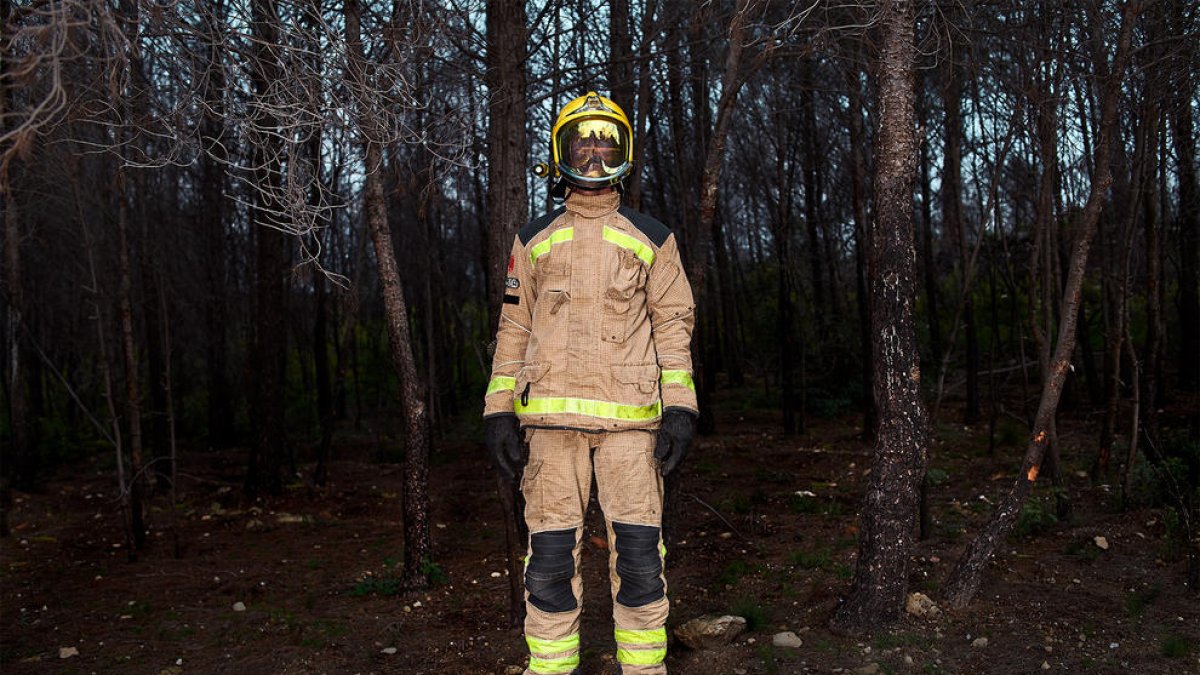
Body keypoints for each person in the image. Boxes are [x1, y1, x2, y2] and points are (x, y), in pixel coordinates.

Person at [483, 92, 697, 675]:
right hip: (550, 432)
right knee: (548, 565)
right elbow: (513, 327)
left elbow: (673, 325)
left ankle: (645, 670)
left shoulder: (652, 237)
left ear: (624, 153)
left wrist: (681, 408)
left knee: (639, 562)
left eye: (607, 144)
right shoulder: (534, 239)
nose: (596, 156)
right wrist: (498, 411)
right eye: (584, 143)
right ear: (562, 153)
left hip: (631, 429)